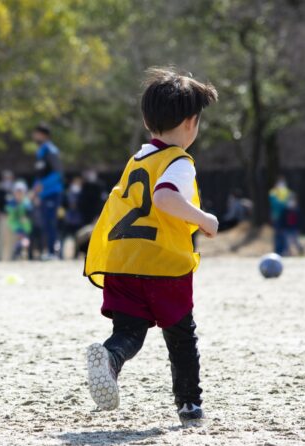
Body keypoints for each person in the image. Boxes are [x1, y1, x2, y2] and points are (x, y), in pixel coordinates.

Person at [83, 68, 219, 425]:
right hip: (162, 263)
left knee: (129, 332)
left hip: (123, 260)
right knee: (180, 334)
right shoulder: (178, 162)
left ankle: (111, 359)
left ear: (147, 121)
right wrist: (203, 218)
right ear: (191, 123)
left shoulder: (138, 159)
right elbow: (164, 198)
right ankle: (189, 405)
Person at [32, 124, 63, 259]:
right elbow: (40, 175)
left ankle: (53, 253)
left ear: (43, 135)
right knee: (44, 223)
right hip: (43, 194)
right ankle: (47, 251)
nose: (34, 136)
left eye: (36, 133)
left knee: (51, 223)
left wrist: (42, 186)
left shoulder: (51, 151)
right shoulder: (41, 152)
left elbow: (58, 173)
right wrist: (35, 190)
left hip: (52, 193)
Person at [6, 181, 32, 260]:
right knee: (22, 239)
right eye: (17, 192)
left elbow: (30, 213)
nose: (19, 194)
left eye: (21, 192)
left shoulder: (26, 203)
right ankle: (16, 252)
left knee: (25, 240)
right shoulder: (11, 203)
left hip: (25, 227)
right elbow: (9, 215)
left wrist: (25, 218)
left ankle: (18, 252)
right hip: (15, 226)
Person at [0, 170, 15, 261]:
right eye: (5, 177)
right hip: (3, 216)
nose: (7, 179)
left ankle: (11, 257)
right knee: (0, 237)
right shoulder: (0, 190)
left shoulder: (15, 190)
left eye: (8, 177)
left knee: (12, 238)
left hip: (13, 217)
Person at [60, 176, 84, 259]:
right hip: (68, 219)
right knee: (63, 237)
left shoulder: (82, 194)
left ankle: (76, 254)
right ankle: (61, 255)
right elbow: (63, 204)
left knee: (77, 238)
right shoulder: (67, 193)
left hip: (78, 220)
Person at [269, 176, 291, 256]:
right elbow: (275, 204)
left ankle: (285, 250)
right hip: (277, 216)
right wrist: (284, 204)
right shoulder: (273, 192)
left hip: (286, 217)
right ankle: (278, 251)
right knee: (278, 234)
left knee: (285, 234)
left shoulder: (287, 191)